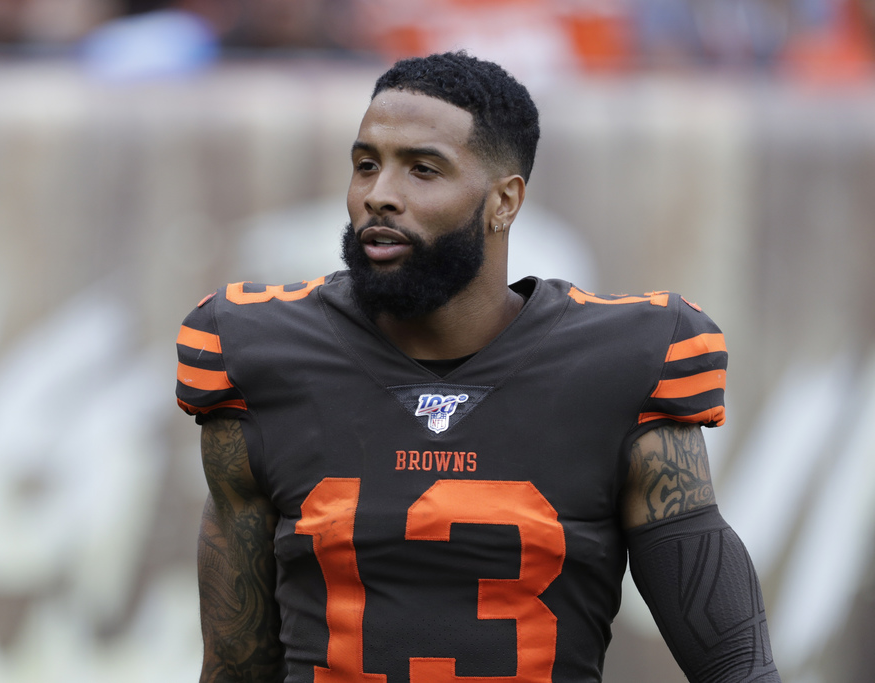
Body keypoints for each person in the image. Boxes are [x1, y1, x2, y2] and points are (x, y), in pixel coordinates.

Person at [176, 51, 780, 683]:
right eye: (366, 165)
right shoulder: (262, 351)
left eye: (423, 170)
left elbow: (735, 666)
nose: (379, 196)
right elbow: (235, 668)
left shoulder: (626, 362)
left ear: (504, 202)